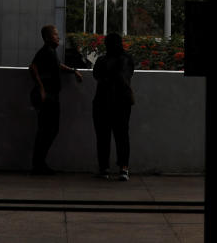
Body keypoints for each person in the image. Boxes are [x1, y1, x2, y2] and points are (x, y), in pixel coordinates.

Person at [28, 23, 82, 174]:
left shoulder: (51, 52)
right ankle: (38, 165)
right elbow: (32, 68)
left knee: (48, 130)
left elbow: (58, 66)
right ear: (47, 38)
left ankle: (40, 163)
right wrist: (41, 89)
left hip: (52, 97)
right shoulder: (46, 51)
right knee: (46, 130)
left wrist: (74, 71)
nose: (58, 37)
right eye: (55, 35)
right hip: (48, 98)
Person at [92, 33, 136, 181]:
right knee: (122, 136)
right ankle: (124, 168)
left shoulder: (101, 60)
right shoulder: (127, 60)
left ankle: (104, 169)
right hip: (121, 103)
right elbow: (125, 77)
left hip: (102, 103)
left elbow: (97, 76)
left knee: (103, 137)